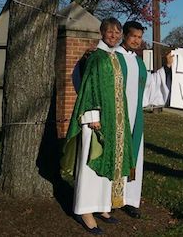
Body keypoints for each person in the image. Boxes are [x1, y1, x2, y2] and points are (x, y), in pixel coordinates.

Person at [61, 17, 132, 234]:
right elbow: (88, 87)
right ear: (102, 33)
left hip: (114, 121)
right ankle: (85, 211)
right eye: (110, 32)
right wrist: (93, 116)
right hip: (95, 121)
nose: (114, 36)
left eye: (118, 32)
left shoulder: (114, 57)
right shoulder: (95, 57)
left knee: (108, 162)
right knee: (91, 164)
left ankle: (102, 206)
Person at [115, 21, 173, 218]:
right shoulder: (113, 58)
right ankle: (109, 198)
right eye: (133, 36)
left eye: (140, 37)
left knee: (133, 158)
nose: (137, 41)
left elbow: (151, 85)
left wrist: (166, 68)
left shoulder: (138, 63)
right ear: (124, 35)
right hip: (116, 119)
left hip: (135, 120)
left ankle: (129, 199)